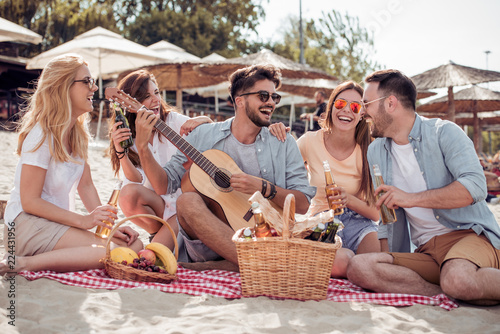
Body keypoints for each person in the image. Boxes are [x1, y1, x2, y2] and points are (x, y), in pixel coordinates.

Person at [133, 64, 316, 271]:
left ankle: (230, 264)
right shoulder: (203, 135)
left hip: (264, 238)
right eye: (264, 96)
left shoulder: (283, 142)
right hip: (209, 243)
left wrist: (264, 187)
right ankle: (248, 263)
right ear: (240, 101)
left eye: (275, 97)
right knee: (186, 201)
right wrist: (142, 146)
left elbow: (302, 205)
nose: (271, 103)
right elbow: (163, 185)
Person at [346, 69, 500, 306]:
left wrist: (411, 198)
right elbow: (387, 215)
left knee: (457, 277)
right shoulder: (376, 151)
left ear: (390, 103)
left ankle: (456, 284)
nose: (363, 111)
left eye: (366, 103)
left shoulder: (444, 132)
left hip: (469, 237)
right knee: (360, 267)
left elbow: (476, 187)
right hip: (427, 252)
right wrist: (389, 257)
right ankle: (442, 293)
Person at [0, 54, 142, 276]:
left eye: (92, 81)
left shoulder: (77, 134)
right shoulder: (42, 134)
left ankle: (34, 261)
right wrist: (84, 221)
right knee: (110, 251)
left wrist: (108, 227)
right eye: (87, 81)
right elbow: (29, 201)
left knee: (134, 247)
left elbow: (85, 186)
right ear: (63, 87)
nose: (94, 88)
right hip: (27, 224)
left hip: (57, 223)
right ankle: (25, 264)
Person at [270, 81, 380, 277]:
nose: (346, 110)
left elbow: (377, 214)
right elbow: (280, 167)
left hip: (359, 222)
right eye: (340, 104)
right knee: (344, 261)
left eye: (355, 106)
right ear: (331, 107)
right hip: (321, 220)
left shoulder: (370, 148)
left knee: (373, 267)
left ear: (362, 113)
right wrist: (276, 133)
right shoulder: (310, 141)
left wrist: (348, 200)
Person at [108, 70, 212, 251]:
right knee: (127, 195)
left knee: (151, 254)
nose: (156, 100)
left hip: (185, 202)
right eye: (147, 96)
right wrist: (121, 151)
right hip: (159, 204)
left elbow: (210, 135)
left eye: (156, 93)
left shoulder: (172, 120)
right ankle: (160, 234)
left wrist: (204, 119)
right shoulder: (128, 135)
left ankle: (163, 239)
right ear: (131, 103)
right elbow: (135, 181)